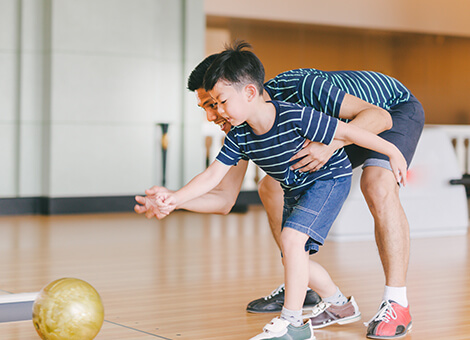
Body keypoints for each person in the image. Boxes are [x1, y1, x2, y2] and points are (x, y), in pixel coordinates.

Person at [135, 47, 424, 339]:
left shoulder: (298, 90)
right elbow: (224, 198)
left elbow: (379, 118)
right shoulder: (242, 126)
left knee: (375, 183)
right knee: (269, 187)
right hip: (337, 133)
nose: (213, 115)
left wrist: (328, 145)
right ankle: (302, 279)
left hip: (389, 110)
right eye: (207, 108)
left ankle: (397, 301)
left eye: (216, 103)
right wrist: (173, 201)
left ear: (245, 91)